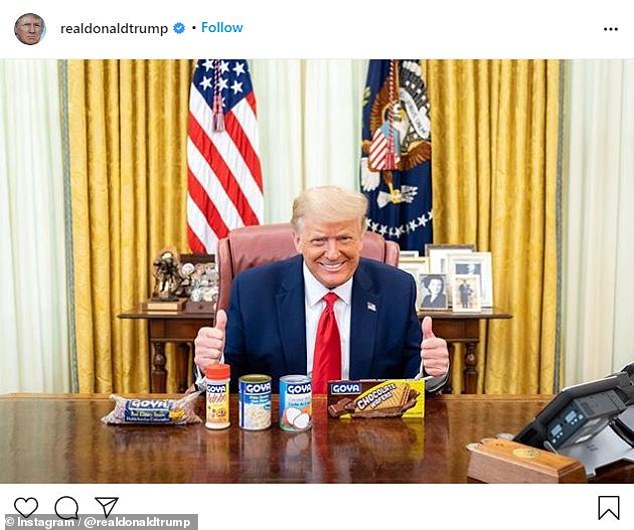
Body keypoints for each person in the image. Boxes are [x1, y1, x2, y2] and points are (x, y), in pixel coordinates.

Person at [194, 186, 449, 392]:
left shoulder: (396, 289)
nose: (333, 253)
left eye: (344, 238)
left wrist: (431, 372)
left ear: (361, 239)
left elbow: (413, 376)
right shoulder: (253, 291)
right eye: (319, 241)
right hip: (278, 432)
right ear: (298, 241)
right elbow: (231, 380)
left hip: (366, 432)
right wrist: (211, 366)